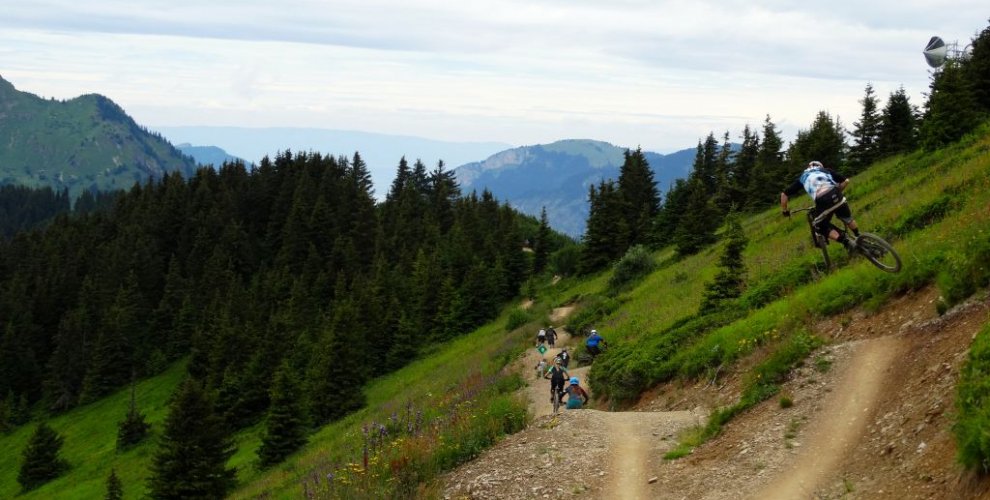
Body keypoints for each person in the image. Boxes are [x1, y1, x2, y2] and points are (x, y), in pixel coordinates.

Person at [780, 160, 860, 253]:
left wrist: (785, 211)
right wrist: (837, 191)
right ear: (820, 166)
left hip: (823, 200)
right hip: (837, 194)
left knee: (819, 226)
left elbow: (784, 194)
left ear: (808, 167)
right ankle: (859, 236)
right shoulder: (825, 170)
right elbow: (846, 180)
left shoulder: (803, 177)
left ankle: (846, 242)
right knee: (847, 217)